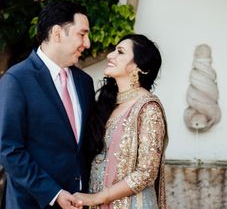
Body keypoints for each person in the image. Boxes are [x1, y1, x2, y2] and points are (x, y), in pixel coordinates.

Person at [0, 0, 95, 209]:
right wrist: (53, 193)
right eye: (82, 34)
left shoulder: (85, 82)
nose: (88, 43)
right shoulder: (16, 80)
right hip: (30, 203)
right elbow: (8, 150)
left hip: (79, 203)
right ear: (57, 33)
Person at [72, 35, 168, 208]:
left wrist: (97, 198)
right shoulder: (108, 103)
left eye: (120, 52)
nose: (110, 55)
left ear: (139, 66)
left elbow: (146, 172)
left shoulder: (148, 109)